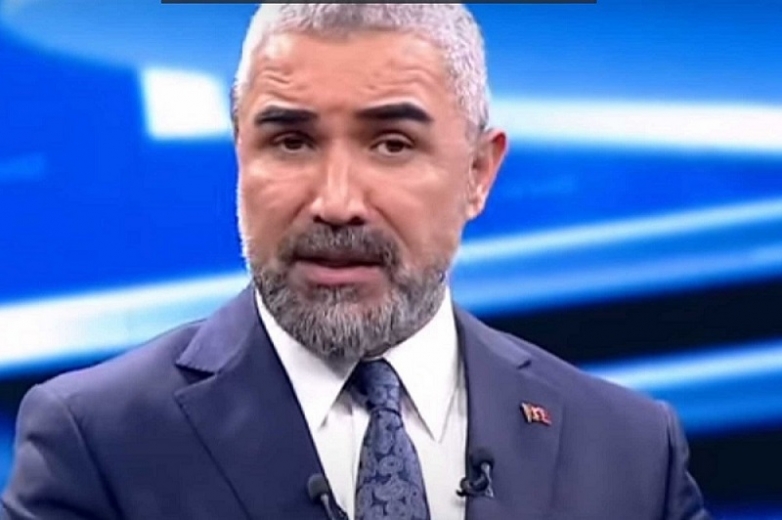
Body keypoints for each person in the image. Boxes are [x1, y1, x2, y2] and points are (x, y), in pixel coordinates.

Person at [2, 4, 711, 520]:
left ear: (478, 173)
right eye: (291, 143)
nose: (336, 203)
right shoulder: (97, 442)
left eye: (391, 144)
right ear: (239, 154)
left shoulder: (630, 451)